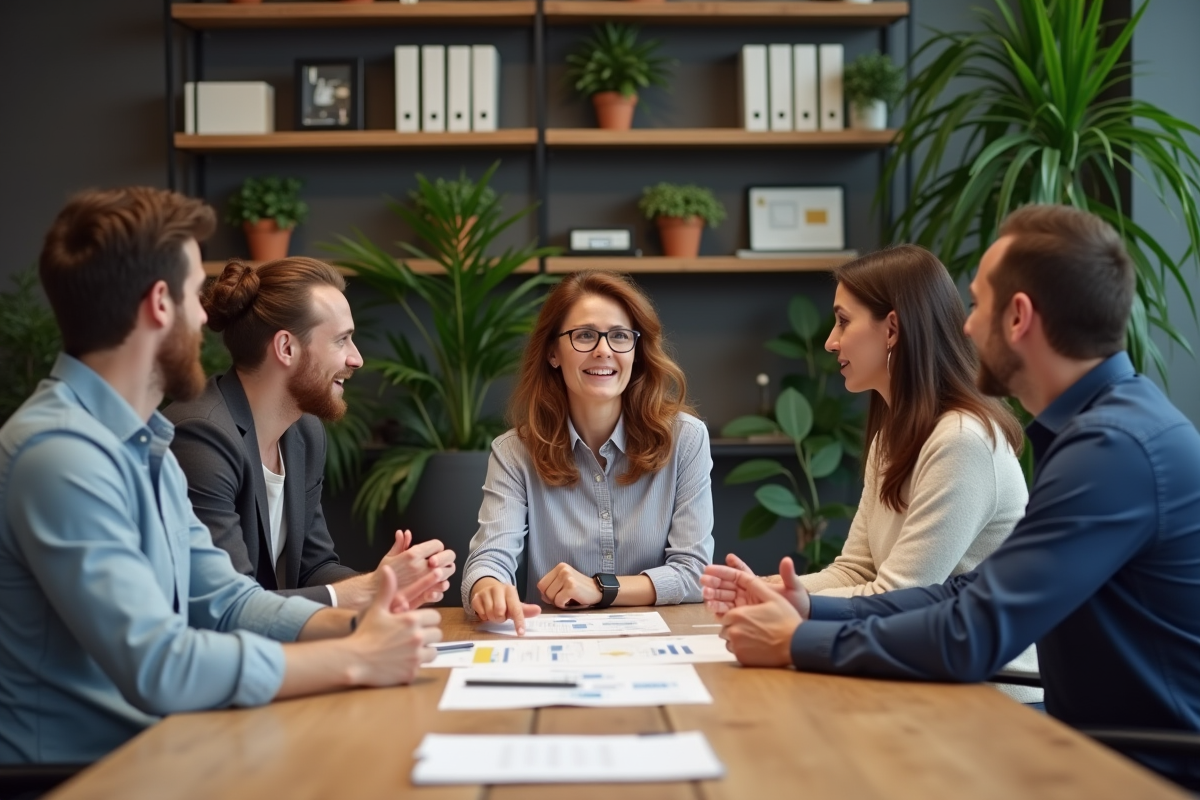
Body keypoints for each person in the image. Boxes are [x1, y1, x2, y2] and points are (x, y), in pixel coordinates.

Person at [703, 205, 1200, 789]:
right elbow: (968, 592)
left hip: (1138, 770)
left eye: (978, 304)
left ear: (1018, 317)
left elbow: (972, 632)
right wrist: (813, 609)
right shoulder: (1101, 431)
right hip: (1091, 745)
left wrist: (799, 640)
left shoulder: (1114, 450)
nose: (965, 326)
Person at [0, 188, 442, 764]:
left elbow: (227, 601)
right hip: (82, 773)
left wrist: (358, 623)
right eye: (192, 294)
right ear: (160, 304)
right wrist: (355, 656)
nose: (207, 316)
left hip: (163, 750)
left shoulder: (142, 442)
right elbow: (158, 664)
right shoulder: (61, 455)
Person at [725, 244, 1041, 702]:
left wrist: (791, 608)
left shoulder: (961, 441)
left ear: (892, 328)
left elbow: (902, 594)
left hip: (990, 696)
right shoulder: (893, 435)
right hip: (923, 676)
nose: (831, 341)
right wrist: (767, 588)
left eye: (843, 321)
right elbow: (857, 569)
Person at [164, 258, 455, 610]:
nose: (357, 359)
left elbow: (313, 568)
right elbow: (229, 605)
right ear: (286, 348)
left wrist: (386, 588)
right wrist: (366, 591)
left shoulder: (303, 433)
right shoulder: (201, 437)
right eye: (342, 340)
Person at [461, 270, 714, 633]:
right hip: (552, 646)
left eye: (620, 336)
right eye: (584, 335)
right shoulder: (515, 451)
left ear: (636, 352)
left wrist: (599, 589)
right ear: (552, 352)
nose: (604, 350)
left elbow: (694, 574)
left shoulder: (686, 439)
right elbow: (490, 558)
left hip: (659, 642)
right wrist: (487, 587)